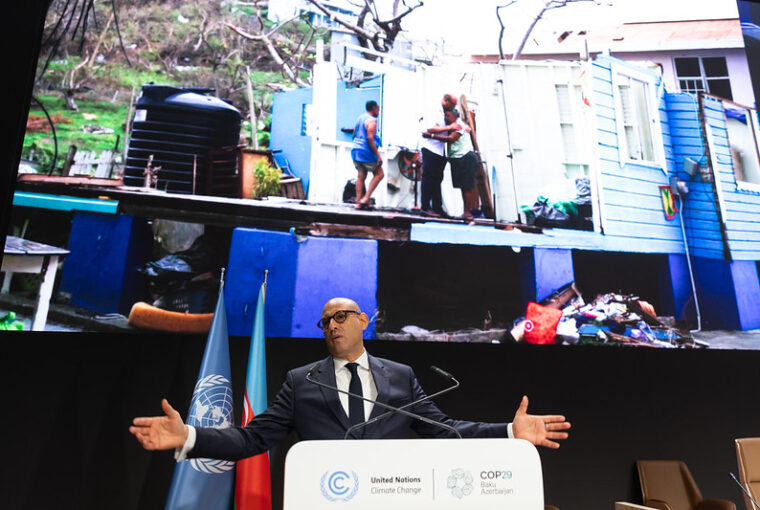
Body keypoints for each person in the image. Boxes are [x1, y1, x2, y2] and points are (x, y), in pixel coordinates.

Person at [130, 297, 571, 461]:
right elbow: (251, 440)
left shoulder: (401, 377)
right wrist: (190, 435)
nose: (333, 326)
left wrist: (510, 432)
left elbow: (449, 430)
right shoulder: (302, 381)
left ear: (362, 321)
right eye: (325, 322)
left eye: (341, 317)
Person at [423, 109, 479, 221]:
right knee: (463, 186)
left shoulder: (458, 125)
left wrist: (432, 136)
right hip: (458, 158)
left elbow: (451, 139)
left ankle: (468, 213)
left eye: (448, 116)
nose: (446, 118)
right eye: (445, 115)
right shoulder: (454, 125)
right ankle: (466, 212)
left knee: (467, 186)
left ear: (455, 116)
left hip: (465, 157)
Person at [418, 94, 458, 217]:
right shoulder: (434, 110)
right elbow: (430, 128)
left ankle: (437, 207)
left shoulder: (444, 112)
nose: (452, 108)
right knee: (428, 178)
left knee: (437, 179)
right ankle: (425, 207)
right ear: (445, 101)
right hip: (431, 148)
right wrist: (449, 127)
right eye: (452, 105)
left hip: (440, 150)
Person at [351, 100, 384, 210]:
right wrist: (378, 155)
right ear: (374, 108)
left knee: (361, 176)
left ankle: (358, 203)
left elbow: (354, 133)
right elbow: (370, 138)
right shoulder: (372, 121)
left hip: (356, 150)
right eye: (378, 109)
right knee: (379, 174)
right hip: (366, 150)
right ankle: (366, 198)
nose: (379, 112)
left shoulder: (360, 117)